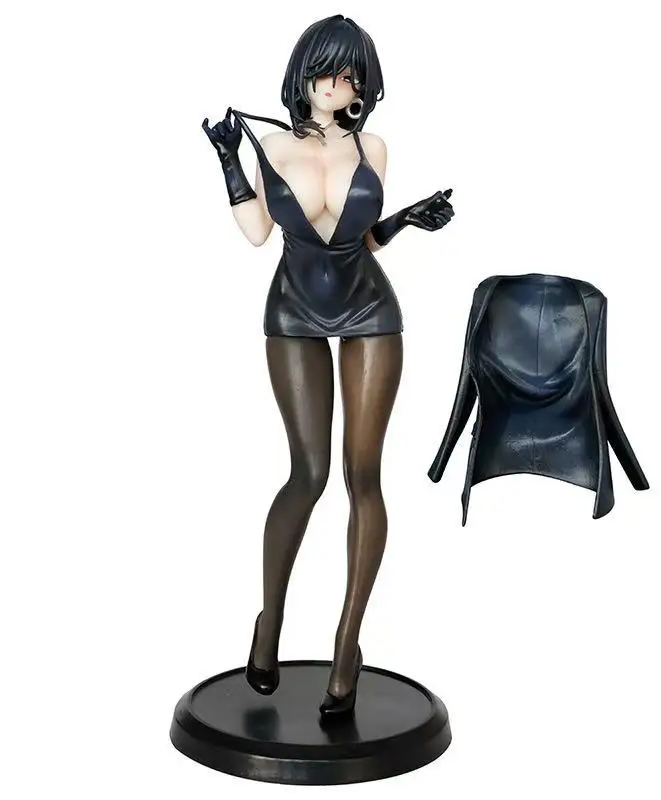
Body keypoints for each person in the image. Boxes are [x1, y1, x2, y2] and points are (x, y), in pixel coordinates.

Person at [202, 14, 454, 721]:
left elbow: (364, 238)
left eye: (348, 75)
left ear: (362, 86)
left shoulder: (373, 146)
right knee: (307, 474)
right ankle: (270, 623)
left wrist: (408, 219)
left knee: (363, 475)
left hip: (370, 309)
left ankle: (348, 645)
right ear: (302, 75)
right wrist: (227, 159)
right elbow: (257, 233)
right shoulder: (274, 145)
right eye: (324, 71)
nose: (334, 84)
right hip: (292, 311)